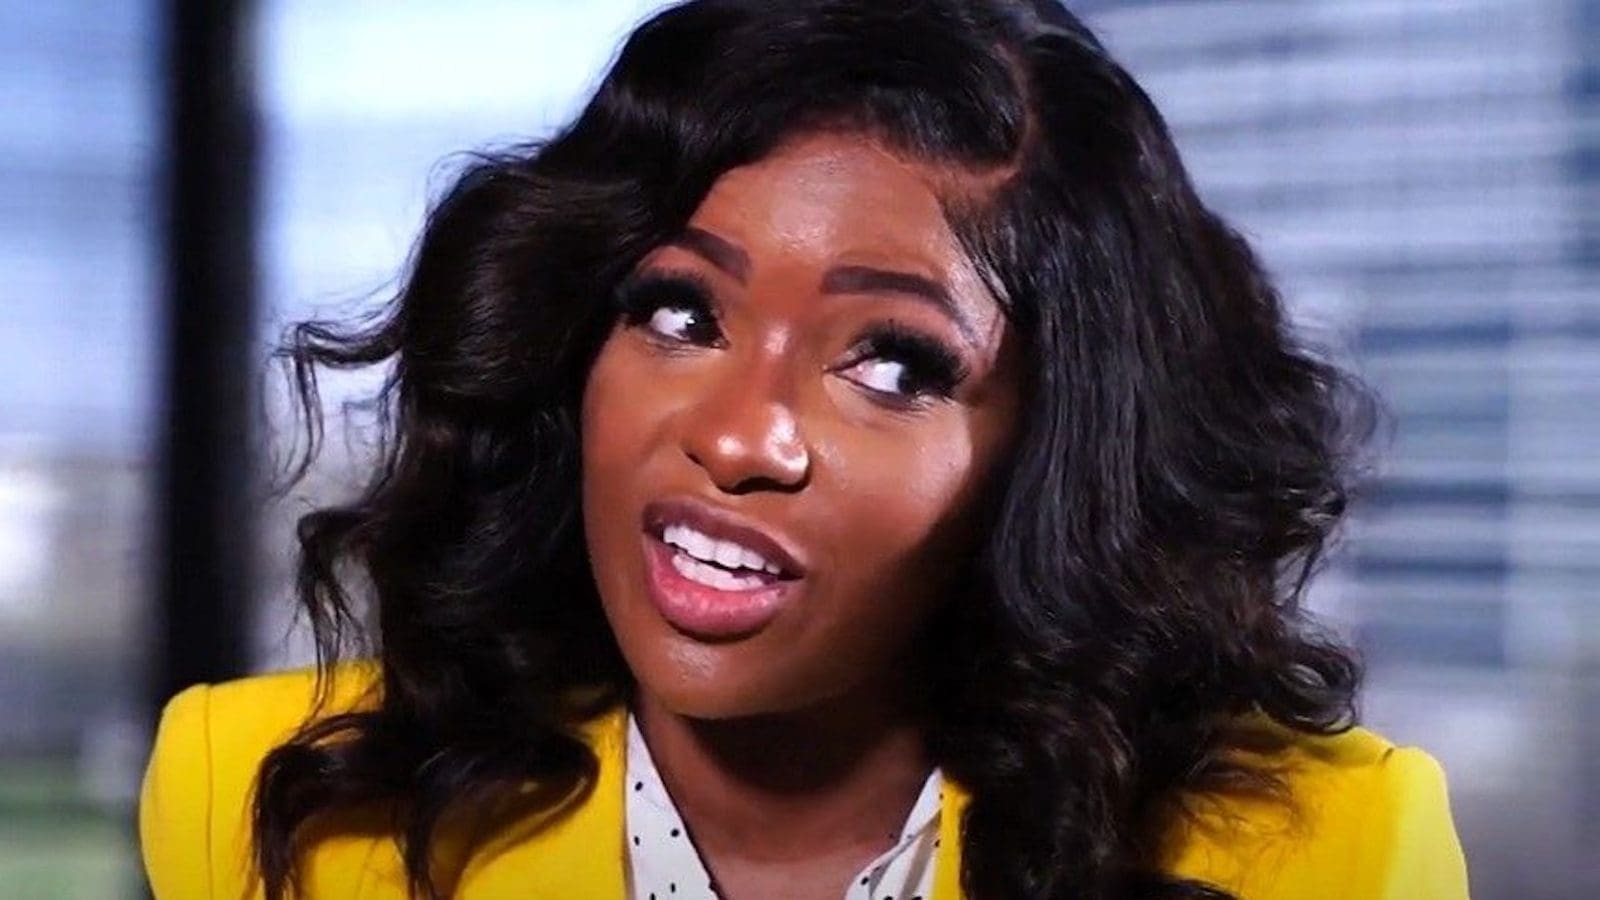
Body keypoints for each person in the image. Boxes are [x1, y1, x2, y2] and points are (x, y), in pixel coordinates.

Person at [137, 1, 1472, 898]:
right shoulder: (265, 809)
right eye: (681, 312)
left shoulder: (1334, 857)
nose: (736, 437)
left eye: (893, 364)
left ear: (1053, 453)